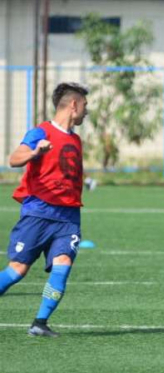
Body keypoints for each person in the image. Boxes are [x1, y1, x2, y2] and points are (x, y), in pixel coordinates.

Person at [0, 82, 88, 337]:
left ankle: (40, 322)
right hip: (38, 212)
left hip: (69, 216)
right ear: (73, 104)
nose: (86, 111)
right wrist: (35, 152)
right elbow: (14, 158)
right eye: (84, 105)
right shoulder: (41, 132)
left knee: (63, 264)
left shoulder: (76, 139)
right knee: (17, 270)